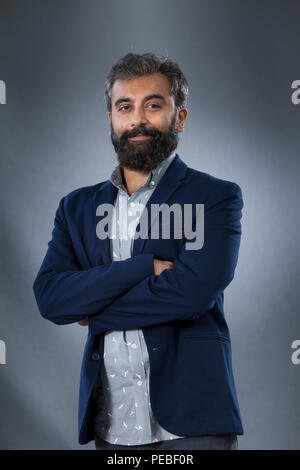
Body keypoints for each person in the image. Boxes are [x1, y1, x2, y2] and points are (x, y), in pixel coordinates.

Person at [32, 52, 244, 450]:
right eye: (124, 107)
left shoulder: (215, 197)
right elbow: (50, 298)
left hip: (193, 424)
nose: (137, 120)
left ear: (179, 117)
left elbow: (192, 293)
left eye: (153, 104)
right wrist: (141, 268)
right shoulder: (75, 208)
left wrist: (91, 309)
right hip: (111, 426)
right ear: (111, 120)